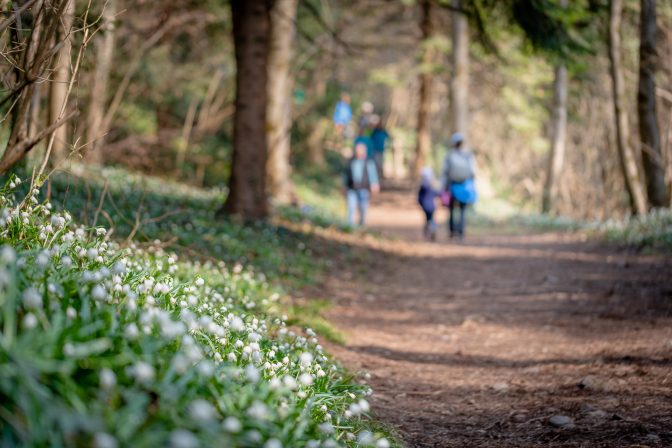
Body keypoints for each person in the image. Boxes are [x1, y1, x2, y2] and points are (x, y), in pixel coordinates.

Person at [441, 132, 477, 239]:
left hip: (453, 186)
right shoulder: (468, 156)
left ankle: (452, 231)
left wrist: (443, 186)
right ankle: (461, 232)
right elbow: (473, 172)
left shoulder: (449, 155)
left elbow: (445, 172)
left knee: (451, 210)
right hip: (464, 186)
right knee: (462, 210)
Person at [343, 142, 380, 226]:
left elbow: (372, 174)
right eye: (357, 150)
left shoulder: (368, 162)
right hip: (351, 188)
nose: (358, 152)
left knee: (363, 208)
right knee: (351, 207)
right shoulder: (350, 161)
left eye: (360, 150)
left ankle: (361, 224)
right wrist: (344, 185)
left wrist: (374, 184)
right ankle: (350, 226)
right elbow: (345, 174)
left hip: (363, 188)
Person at [418, 166, 439, 241]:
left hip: (425, 206)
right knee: (432, 219)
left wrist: (420, 203)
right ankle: (432, 229)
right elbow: (437, 193)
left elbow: (419, 197)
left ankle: (427, 232)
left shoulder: (422, 186)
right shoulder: (432, 186)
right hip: (432, 206)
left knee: (427, 219)